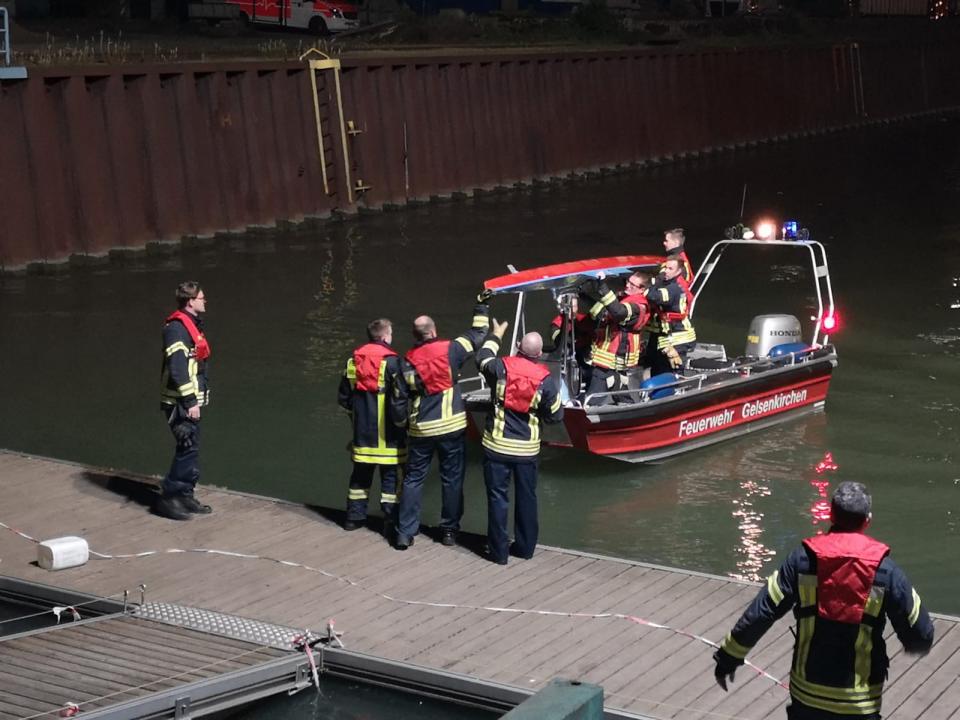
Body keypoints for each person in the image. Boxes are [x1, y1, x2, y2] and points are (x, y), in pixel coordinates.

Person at [713, 481, 934, 719]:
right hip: (860, 702)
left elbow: (763, 611)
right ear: (867, 520)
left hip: (807, 695)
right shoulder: (886, 572)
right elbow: (921, 634)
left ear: (831, 514)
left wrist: (729, 656)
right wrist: (912, 645)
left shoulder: (801, 560)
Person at [394, 296, 491, 550]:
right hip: (451, 426)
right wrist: (481, 305)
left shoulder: (406, 362)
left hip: (421, 429)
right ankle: (448, 531)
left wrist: (402, 425)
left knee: (413, 480)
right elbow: (479, 333)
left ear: (415, 335)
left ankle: (405, 532)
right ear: (434, 331)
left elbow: (398, 402)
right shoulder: (452, 349)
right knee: (452, 479)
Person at [476, 320, 564, 565]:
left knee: (497, 499)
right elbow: (556, 416)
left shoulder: (500, 367)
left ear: (518, 347)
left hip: (496, 446)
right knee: (527, 498)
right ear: (539, 355)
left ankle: (498, 552)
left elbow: (482, 357)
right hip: (527, 451)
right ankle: (525, 549)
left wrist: (495, 335)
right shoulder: (545, 380)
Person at [338, 318, 408, 532]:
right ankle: (389, 520)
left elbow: (344, 399)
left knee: (359, 479)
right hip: (390, 437)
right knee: (390, 481)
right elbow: (402, 398)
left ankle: (353, 518)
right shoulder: (394, 363)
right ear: (386, 336)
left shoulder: (353, 362)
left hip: (362, 436)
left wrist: (356, 422)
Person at [156, 281, 213, 521]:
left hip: (188, 401)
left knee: (191, 448)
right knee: (186, 446)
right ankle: (169, 498)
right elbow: (178, 369)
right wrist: (190, 401)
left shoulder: (191, 326)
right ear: (190, 301)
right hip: (179, 402)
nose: (205, 301)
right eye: (202, 298)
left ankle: (185, 494)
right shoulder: (177, 330)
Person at [580, 271, 650, 405]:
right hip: (615, 359)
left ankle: (585, 417)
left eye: (633, 285)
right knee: (619, 387)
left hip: (609, 359)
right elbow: (607, 307)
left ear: (642, 289)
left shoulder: (637, 307)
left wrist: (602, 285)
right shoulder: (626, 298)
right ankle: (629, 408)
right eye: (628, 282)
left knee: (594, 397)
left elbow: (618, 312)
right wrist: (583, 295)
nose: (628, 286)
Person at [644, 257, 696, 375]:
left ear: (678, 272)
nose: (666, 271)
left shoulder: (673, 288)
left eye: (670, 268)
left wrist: (649, 284)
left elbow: (653, 296)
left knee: (673, 370)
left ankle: (677, 390)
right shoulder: (671, 284)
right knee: (658, 367)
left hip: (679, 336)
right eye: (665, 268)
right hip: (670, 335)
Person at [546, 295, 595, 394]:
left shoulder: (583, 319)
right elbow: (560, 342)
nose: (573, 310)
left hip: (586, 358)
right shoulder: (556, 324)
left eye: (575, 306)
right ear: (562, 308)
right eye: (570, 307)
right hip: (566, 361)